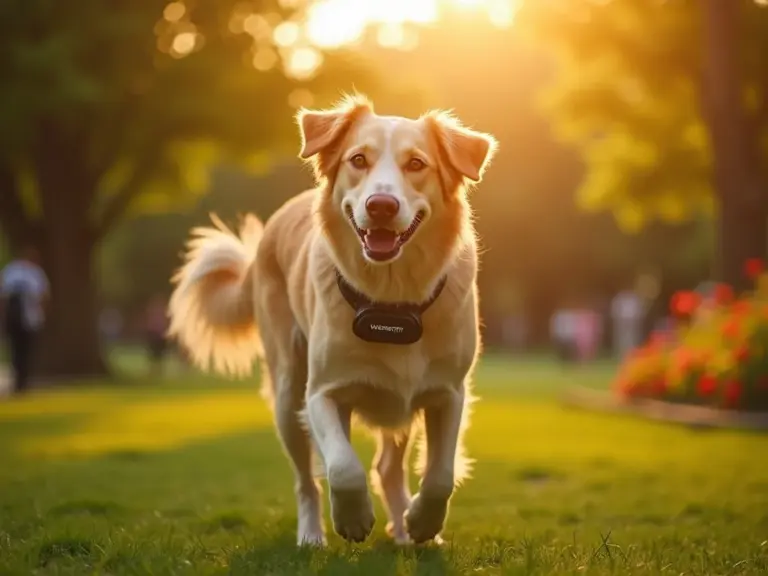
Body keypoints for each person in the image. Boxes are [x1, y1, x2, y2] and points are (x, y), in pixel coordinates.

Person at [0, 246, 50, 394]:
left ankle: (23, 380)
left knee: (24, 350)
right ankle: (20, 380)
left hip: (27, 318)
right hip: (16, 319)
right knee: (19, 350)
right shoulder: (14, 272)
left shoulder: (30, 273)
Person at [144, 294, 169, 374]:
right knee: (152, 353)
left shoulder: (163, 312)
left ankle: (158, 370)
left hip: (160, 335)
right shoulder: (153, 311)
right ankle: (153, 369)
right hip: (153, 334)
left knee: (160, 354)